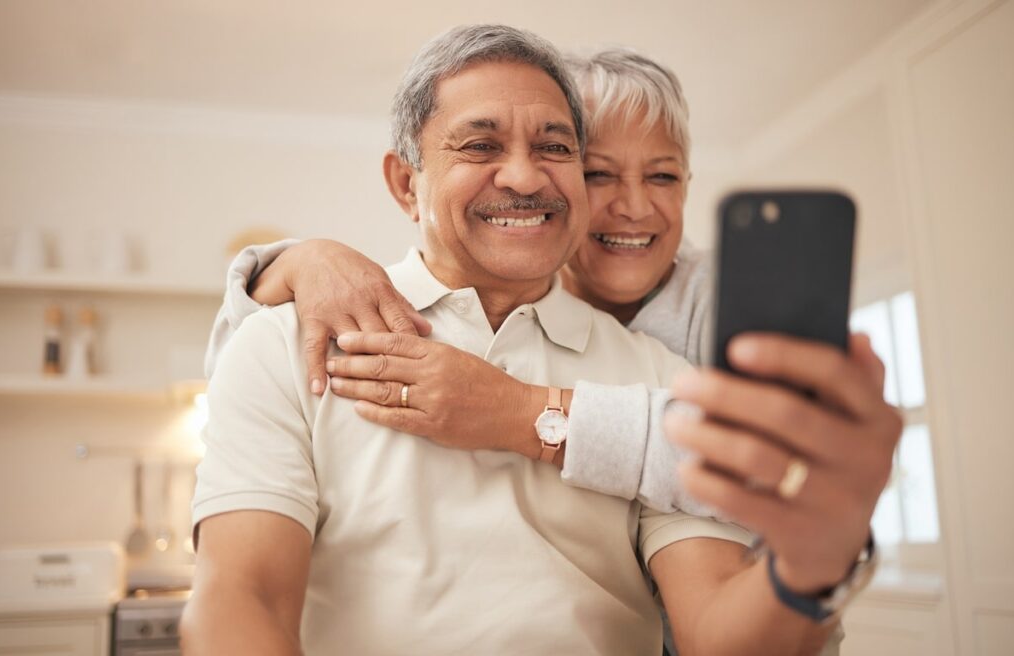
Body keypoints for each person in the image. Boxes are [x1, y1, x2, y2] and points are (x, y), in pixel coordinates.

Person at [186, 25, 898, 655]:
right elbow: (240, 598)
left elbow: (717, 634)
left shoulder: (658, 371)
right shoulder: (287, 341)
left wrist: (814, 557)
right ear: (407, 184)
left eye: (556, 147)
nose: (525, 176)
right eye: (481, 144)